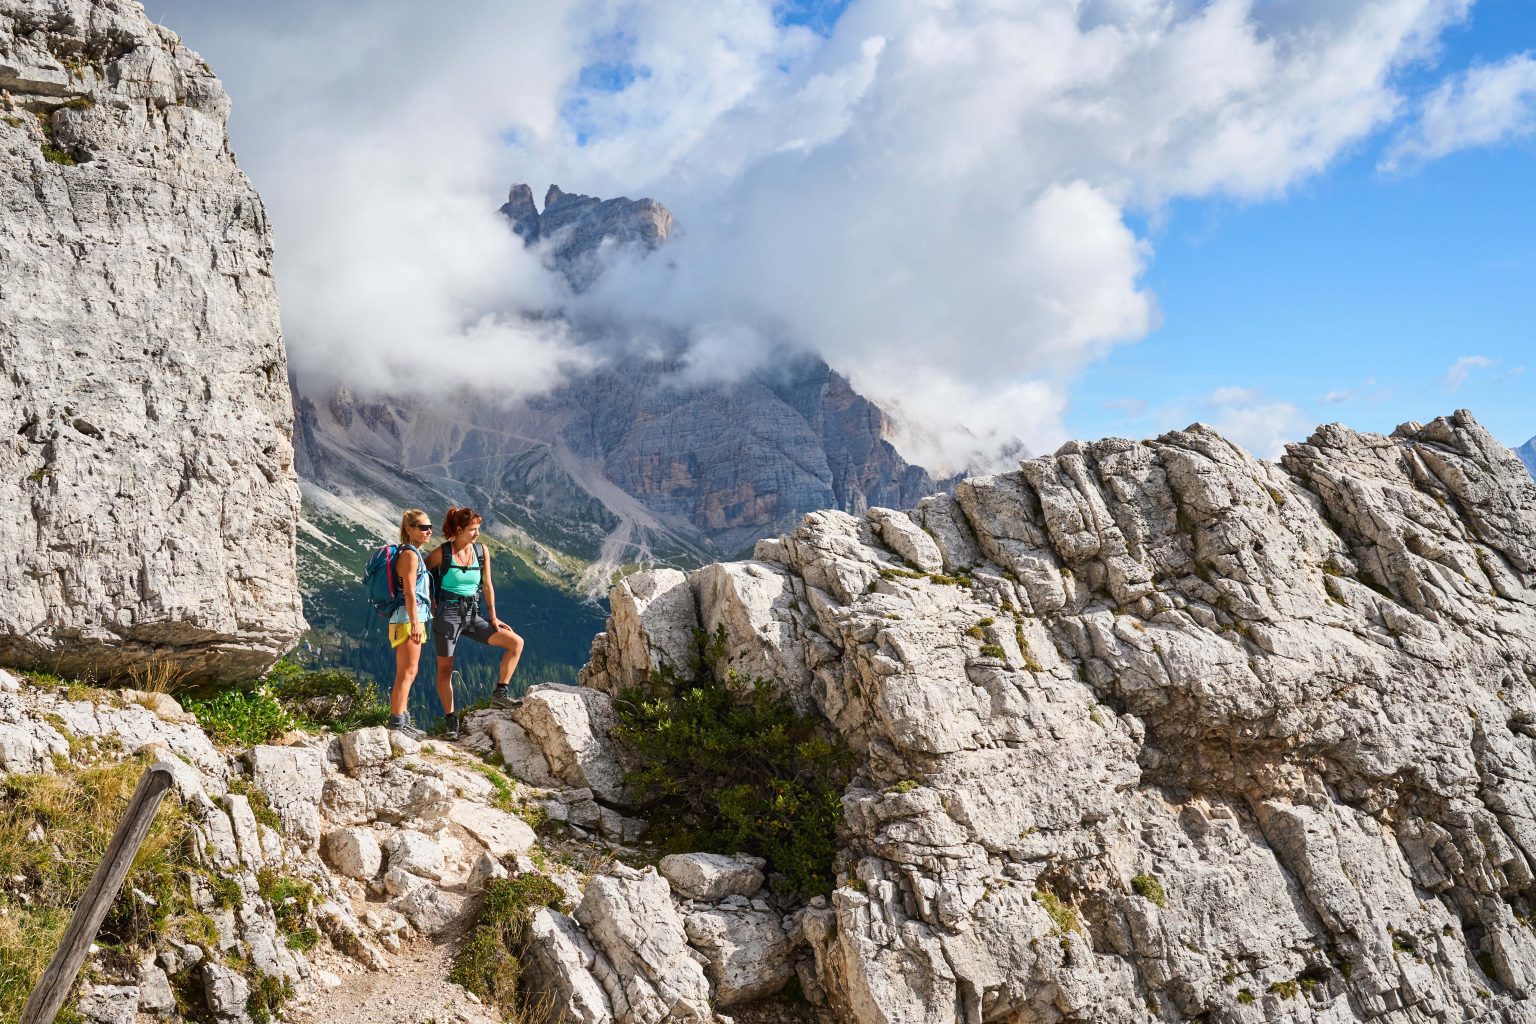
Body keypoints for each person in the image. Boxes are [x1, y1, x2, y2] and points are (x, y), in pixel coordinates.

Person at [426, 506, 525, 738]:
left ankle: (500, 694)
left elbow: (487, 585)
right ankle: (451, 720)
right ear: (459, 530)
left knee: (515, 642)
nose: (477, 533)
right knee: (446, 668)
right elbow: (420, 572)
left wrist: (493, 617)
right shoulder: (442, 553)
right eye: (472, 529)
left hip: (473, 614)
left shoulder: (481, 551)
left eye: (478, 529)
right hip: (447, 615)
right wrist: (429, 601)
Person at [386, 509, 435, 739]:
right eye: (423, 527)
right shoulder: (410, 555)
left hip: (411, 618)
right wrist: (416, 623)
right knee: (406, 672)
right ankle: (397, 723)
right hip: (407, 618)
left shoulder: (412, 553)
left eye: (429, 527)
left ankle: (403, 719)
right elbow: (409, 592)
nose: (429, 531)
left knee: (410, 671)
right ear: (409, 530)